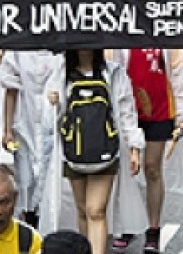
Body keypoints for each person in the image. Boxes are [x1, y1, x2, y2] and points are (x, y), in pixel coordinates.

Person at [45, 49, 143, 254]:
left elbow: (127, 110)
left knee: (96, 210)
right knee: (82, 211)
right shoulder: (61, 74)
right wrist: (51, 103)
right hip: (73, 154)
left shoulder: (113, 72)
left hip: (105, 152)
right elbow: (50, 122)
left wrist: (134, 148)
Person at [108, 49, 183, 254]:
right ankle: (127, 223)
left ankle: (153, 227)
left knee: (152, 168)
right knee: (126, 169)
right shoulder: (124, 31)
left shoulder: (164, 32)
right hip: (126, 107)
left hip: (159, 109)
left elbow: (180, 70)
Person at [0, 50, 61, 228]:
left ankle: (46, 224)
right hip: (24, 122)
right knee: (26, 178)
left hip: (51, 123)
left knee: (49, 176)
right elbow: (11, 91)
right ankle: (28, 221)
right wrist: (7, 129)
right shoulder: (17, 53)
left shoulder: (58, 52)